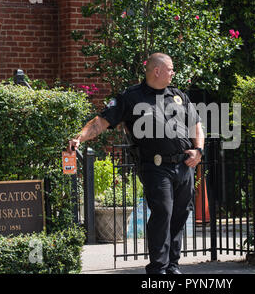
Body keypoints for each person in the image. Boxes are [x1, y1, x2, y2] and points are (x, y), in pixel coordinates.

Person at [67, 53, 205, 274]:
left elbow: (196, 124)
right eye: (170, 69)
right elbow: (101, 121)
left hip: (184, 166)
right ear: (157, 71)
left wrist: (199, 150)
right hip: (155, 166)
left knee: (179, 214)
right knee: (163, 212)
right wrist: (79, 137)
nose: (173, 73)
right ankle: (158, 268)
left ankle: (172, 265)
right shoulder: (131, 97)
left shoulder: (178, 96)